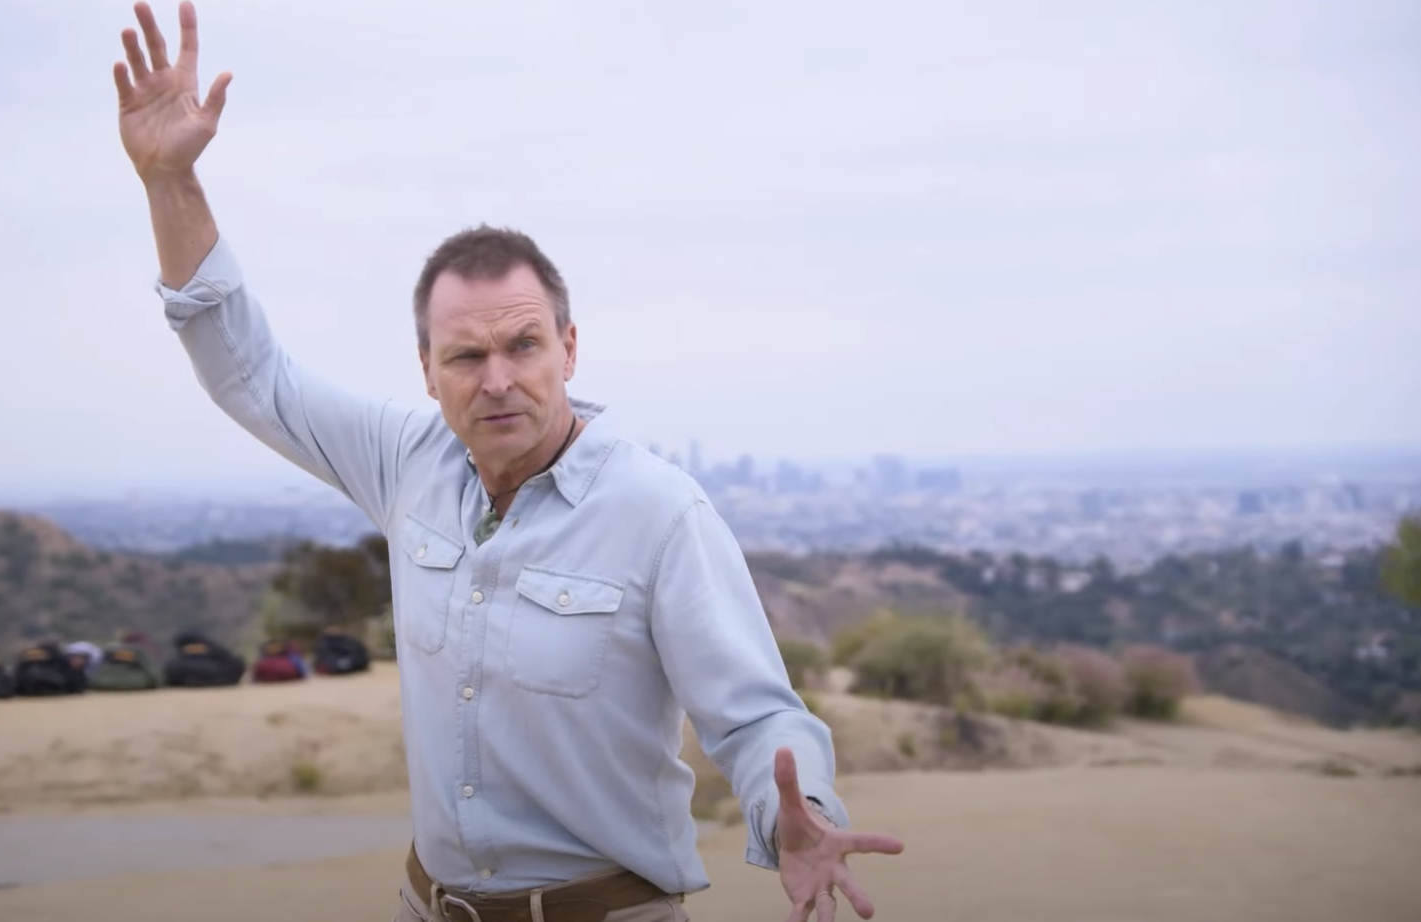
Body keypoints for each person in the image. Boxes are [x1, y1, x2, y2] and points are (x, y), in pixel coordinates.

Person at [110, 5, 905, 919]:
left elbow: (758, 717)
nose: (498, 381)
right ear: (427, 372)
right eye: (465, 357)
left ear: (569, 348)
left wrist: (796, 811)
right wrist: (171, 181)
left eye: (523, 346)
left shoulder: (659, 512)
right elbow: (251, 373)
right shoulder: (405, 462)